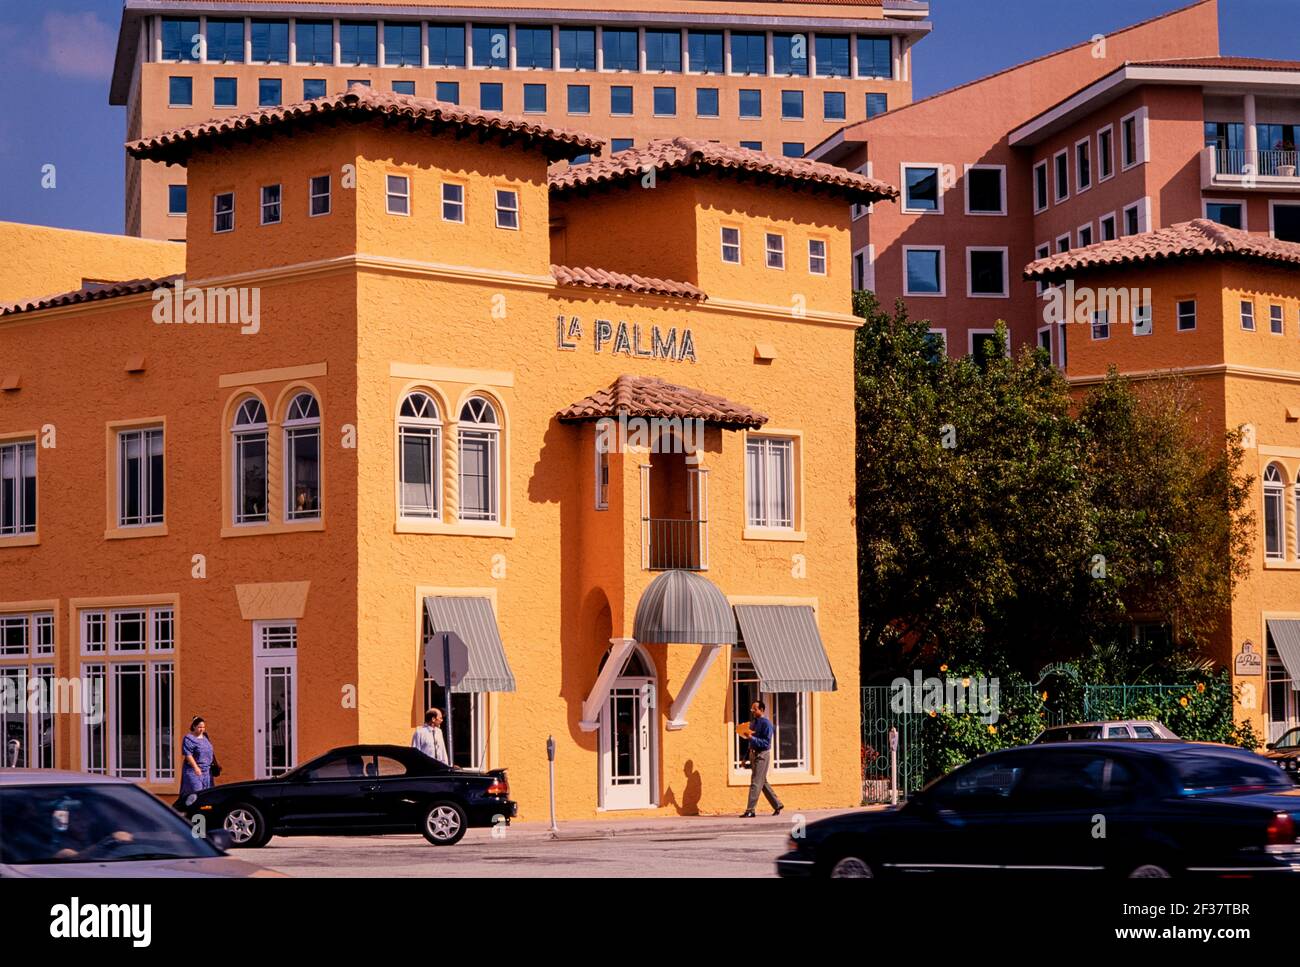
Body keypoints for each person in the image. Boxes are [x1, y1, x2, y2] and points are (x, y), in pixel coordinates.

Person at [741, 701, 783, 818]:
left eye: (755, 709)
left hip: (762, 755)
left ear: (762, 710)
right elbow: (751, 741)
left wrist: (752, 738)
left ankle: (750, 810)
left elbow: (766, 742)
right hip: (753, 754)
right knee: (762, 782)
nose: (752, 711)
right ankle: (777, 804)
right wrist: (745, 757)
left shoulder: (766, 724)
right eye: (752, 709)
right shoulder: (754, 723)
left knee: (755, 782)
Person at [179, 716, 215, 799]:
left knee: (207, 794)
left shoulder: (205, 737)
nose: (202, 729)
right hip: (194, 772)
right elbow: (188, 754)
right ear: (194, 726)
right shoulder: (189, 738)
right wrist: (196, 768)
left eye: (203, 727)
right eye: (199, 727)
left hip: (207, 771)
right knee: (196, 794)